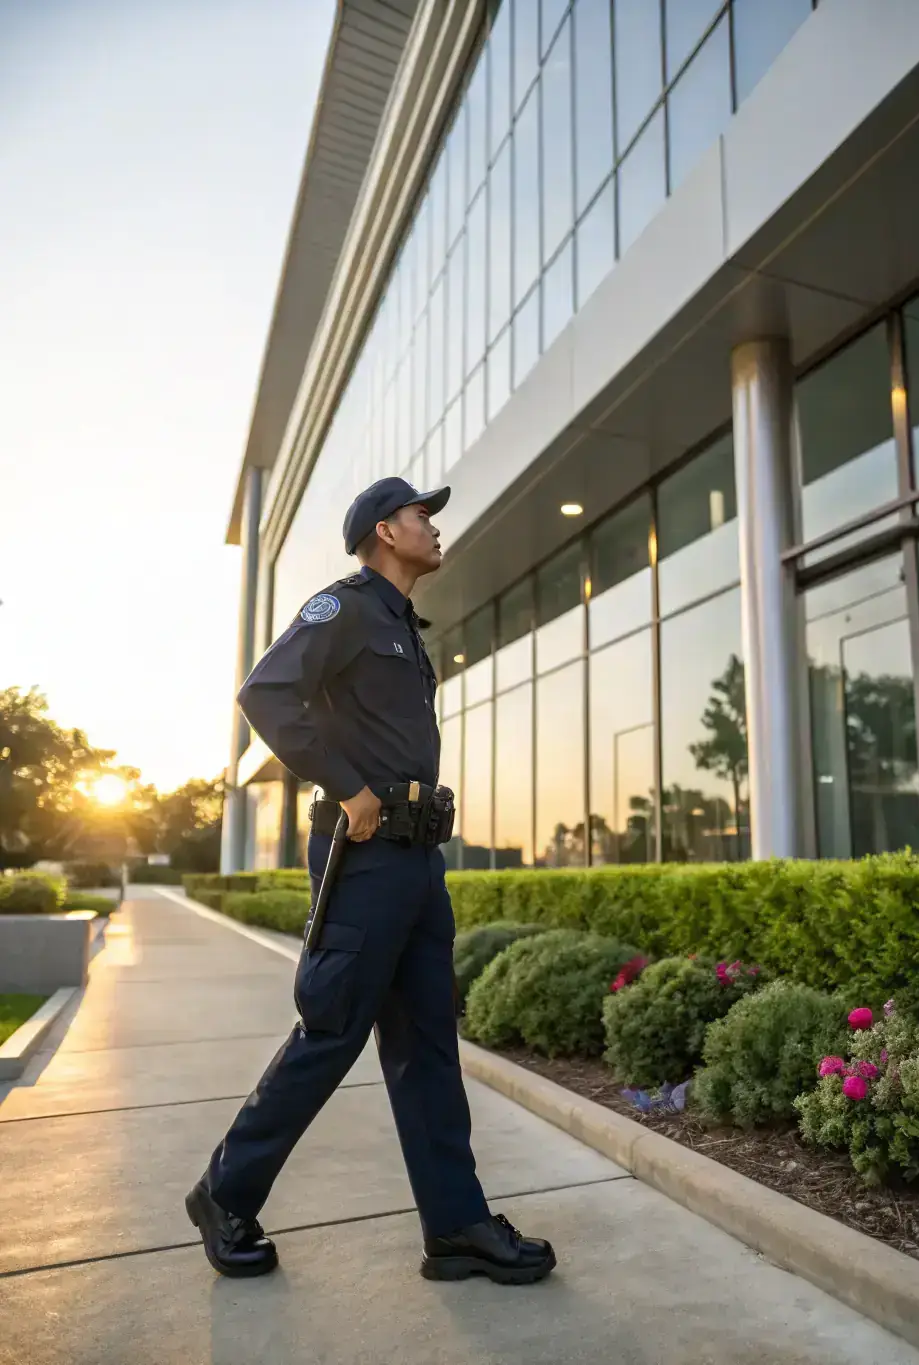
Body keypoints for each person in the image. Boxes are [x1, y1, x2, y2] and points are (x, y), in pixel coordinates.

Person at [185, 477, 556, 1287]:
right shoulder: (345, 607)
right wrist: (345, 784)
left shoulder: (403, 628)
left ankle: (456, 1225)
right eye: (424, 515)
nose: (434, 527)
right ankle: (225, 1191)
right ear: (386, 530)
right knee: (334, 1028)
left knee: (427, 1042)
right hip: (365, 855)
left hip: (418, 858)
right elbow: (265, 693)